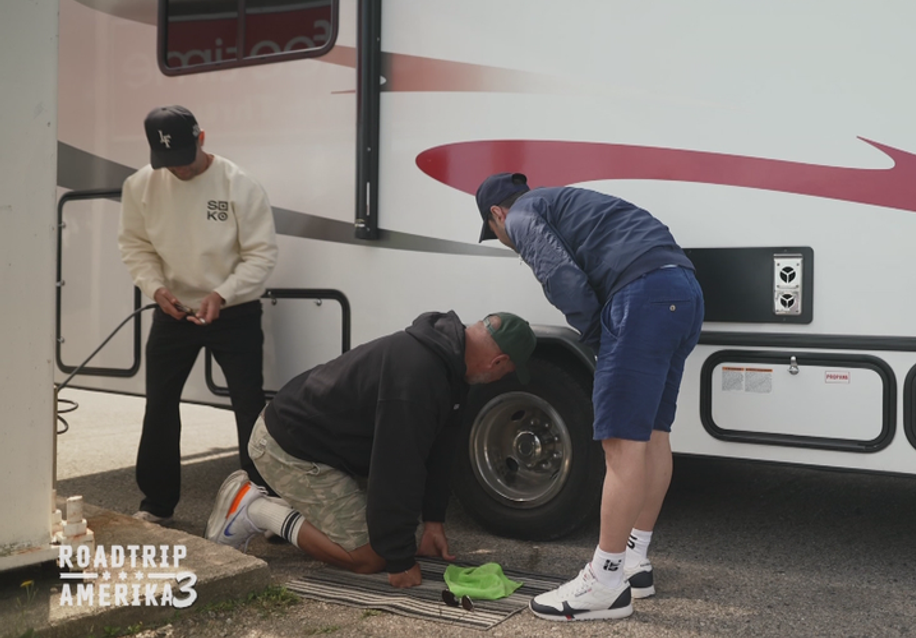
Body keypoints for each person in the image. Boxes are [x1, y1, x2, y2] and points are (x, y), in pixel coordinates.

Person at [474, 173, 704, 621]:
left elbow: (562, 277)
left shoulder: (522, 215)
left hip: (641, 297)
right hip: (683, 290)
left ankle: (605, 582)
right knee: (654, 434)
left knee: (620, 443)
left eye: (496, 234)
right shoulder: (568, 202)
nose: (506, 241)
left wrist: (603, 337)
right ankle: (635, 560)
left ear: (497, 214)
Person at [205, 311, 536, 588]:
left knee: (377, 530)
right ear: (498, 361)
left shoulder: (449, 362)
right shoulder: (419, 376)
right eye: (506, 373)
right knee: (367, 556)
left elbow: (440, 450)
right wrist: (398, 559)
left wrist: (434, 521)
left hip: (314, 442)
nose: (500, 379)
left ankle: (293, 504)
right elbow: (395, 470)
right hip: (285, 446)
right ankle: (253, 509)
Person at [118, 105, 278, 525]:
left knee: (249, 407)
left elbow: (261, 255)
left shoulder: (238, 184)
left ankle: (266, 505)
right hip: (172, 309)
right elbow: (136, 247)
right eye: (167, 163)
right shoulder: (140, 186)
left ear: (202, 138)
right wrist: (155, 289)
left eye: (185, 159)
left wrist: (222, 294)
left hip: (234, 310)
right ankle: (156, 503)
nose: (179, 170)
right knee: (160, 406)